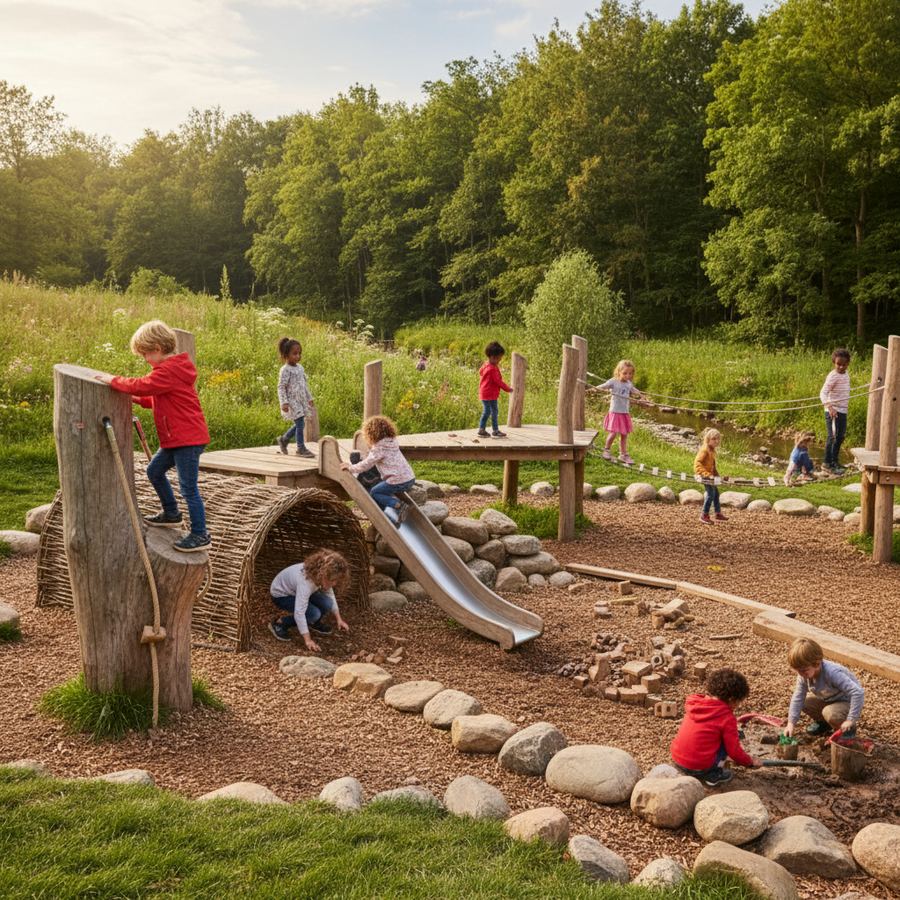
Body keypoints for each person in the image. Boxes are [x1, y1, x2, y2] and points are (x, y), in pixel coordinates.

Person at [96, 319, 211, 553]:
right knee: (154, 471)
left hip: (187, 440)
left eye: (145, 354)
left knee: (188, 487)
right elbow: (152, 398)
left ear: (157, 349)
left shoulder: (169, 371)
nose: (145, 359)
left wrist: (113, 381)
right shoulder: (169, 372)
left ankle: (200, 534)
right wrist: (132, 399)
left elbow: (142, 386)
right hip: (176, 439)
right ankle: (171, 512)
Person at [670, 668, 762, 787]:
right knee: (727, 742)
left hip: (677, 759)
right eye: (739, 702)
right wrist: (749, 762)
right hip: (698, 767)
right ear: (732, 700)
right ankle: (713, 775)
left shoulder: (696, 703)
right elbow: (734, 751)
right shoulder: (727, 718)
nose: (738, 706)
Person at [268, 549, 351, 649]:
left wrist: (339, 619)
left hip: (296, 591)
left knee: (327, 603)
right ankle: (280, 623)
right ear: (323, 574)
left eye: (336, 581)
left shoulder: (320, 575)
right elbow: (300, 612)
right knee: (313, 614)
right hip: (281, 595)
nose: (334, 584)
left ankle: (313, 622)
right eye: (332, 580)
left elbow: (330, 595)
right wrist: (308, 640)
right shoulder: (306, 582)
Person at [342, 415, 416, 526]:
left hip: (398, 480)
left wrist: (350, 467)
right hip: (409, 478)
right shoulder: (392, 441)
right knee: (382, 490)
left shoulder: (379, 449)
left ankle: (399, 505)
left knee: (375, 492)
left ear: (371, 434)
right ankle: (391, 515)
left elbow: (366, 465)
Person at [784, 638, 864, 738]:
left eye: (804, 670)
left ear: (817, 664)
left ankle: (848, 731)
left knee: (830, 713)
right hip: (830, 699)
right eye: (798, 671)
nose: (801, 674)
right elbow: (798, 696)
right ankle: (825, 724)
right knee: (805, 702)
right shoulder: (804, 674)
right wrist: (790, 724)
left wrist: (851, 720)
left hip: (847, 702)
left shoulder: (833, 673)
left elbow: (858, 692)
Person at [597, 359, 643, 464]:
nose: (628, 375)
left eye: (630, 373)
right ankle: (606, 450)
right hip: (615, 412)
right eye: (625, 373)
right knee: (613, 433)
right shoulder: (614, 381)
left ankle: (623, 454)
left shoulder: (628, 383)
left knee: (624, 434)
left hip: (624, 412)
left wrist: (640, 394)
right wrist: (594, 388)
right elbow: (604, 385)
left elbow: (633, 390)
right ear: (619, 372)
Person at [276, 337, 315, 458]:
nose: (298, 356)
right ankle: (300, 448)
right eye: (294, 354)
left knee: (301, 424)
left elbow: (304, 384)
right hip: (292, 401)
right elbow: (281, 387)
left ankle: (284, 439)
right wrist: (284, 402)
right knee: (299, 423)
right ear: (286, 354)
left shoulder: (300, 368)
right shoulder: (285, 370)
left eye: (299, 353)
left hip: (301, 400)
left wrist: (309, 397)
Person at [820, 348, 851, 475]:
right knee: (832, 437)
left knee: (840, 437)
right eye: (838, 364)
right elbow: (823, 393)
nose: (841, 367)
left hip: (843, 410)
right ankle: (827, 464)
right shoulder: (833, 376)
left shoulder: (846, 374)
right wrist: (830, 407)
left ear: (848, 363)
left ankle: (834, 461)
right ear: (834, 362)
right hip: (833, 411)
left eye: (844, 364)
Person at [477, 341, 512, 438]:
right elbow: (499, 382)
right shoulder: (492, 369)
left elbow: (480, 372)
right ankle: (482, 430)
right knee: (488, 411)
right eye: (499, 359)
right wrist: (508, 389)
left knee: (494, 411)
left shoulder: (486, 364)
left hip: (488, 393)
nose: (500, 360)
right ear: (493, 357)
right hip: (488, 394)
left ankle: (495, 430)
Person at [694, 428, 727, 526]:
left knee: (716, 493)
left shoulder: (711, 450)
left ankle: (717, 513)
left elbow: (713, 466)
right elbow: (697, 464)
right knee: (710, 494)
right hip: (704, 476)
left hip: (710, 476)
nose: (716, 441)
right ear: (708, 439)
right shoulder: (704, 450)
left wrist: (717, 476)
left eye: (718, 439)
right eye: (714, 439)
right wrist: (706, 474)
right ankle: (704, 515)